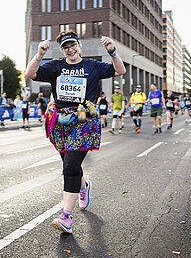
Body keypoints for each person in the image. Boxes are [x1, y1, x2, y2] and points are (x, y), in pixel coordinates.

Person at [25, 30, 125, 233]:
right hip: (61, 123)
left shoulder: (92, 66)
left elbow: (120, 71)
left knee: (70, 166)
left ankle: (66, 218)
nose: (70, 50)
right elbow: (30, 74)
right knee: (70, 164)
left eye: (73, 46)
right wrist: (40, 54)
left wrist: (112, 51)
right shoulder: (56, 67)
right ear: (62, 50)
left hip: (83, 121)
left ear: (79, 45)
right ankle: (84, 187)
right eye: (65, 47)